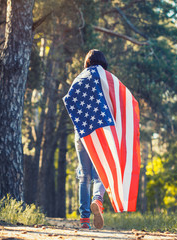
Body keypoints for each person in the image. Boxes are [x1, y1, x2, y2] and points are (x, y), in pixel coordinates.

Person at [75, 50, 108, 229]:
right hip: (100, 131)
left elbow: (70, 102)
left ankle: (84, 220)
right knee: (100, 173)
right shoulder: (107, 79)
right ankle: (97, 199)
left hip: (81, 132)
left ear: (87, 62)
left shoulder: (79, 79)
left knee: (84, 176)